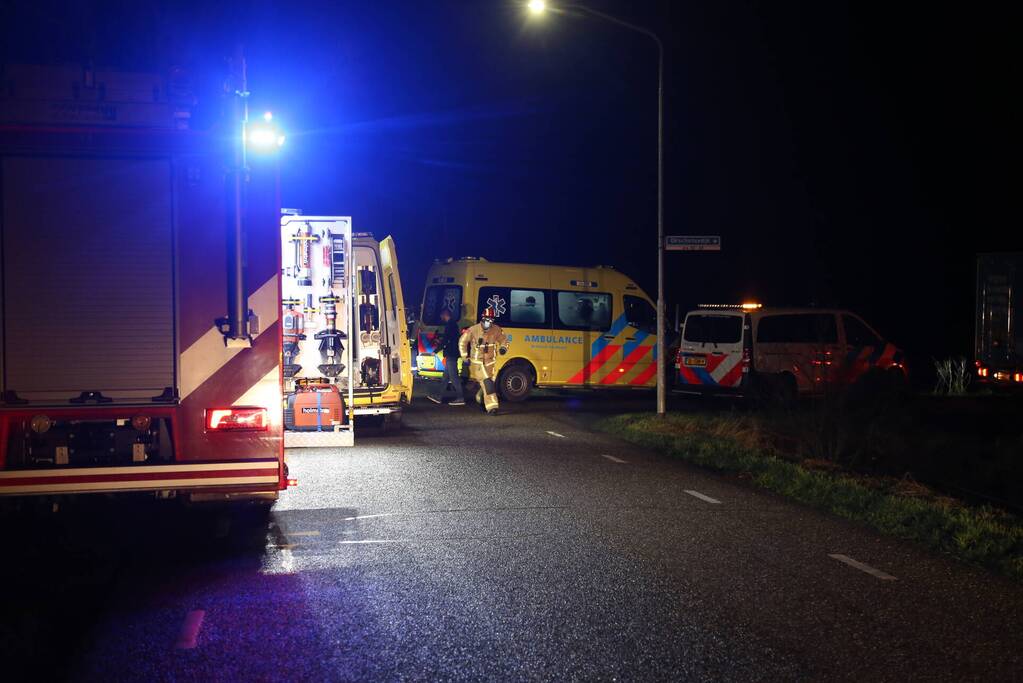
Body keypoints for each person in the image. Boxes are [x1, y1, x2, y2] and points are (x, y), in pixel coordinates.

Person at [459, 306, 509, 414]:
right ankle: (492, 407)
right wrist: (464, 356)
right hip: (477, 362)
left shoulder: (496, 329)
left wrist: (503, 348)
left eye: (491, 320)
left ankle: (479, 397)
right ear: (482, 319)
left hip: (490, 361)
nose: (488, 322)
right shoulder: (473, 330)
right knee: (487, 383)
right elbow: (462, 342)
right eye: (487, 320)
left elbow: (504, 340)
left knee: (489, 382)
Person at [427, 308, 465, 405]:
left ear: (444, 315)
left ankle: (460, 398)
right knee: (445, 377)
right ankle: (438, 397)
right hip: (451, 353)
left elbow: (446, 340)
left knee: (453, 377)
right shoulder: (453, 325)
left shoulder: (450, 325)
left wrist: (435, 351)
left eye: (441, 316)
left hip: (451, 354)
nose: (441, 317)